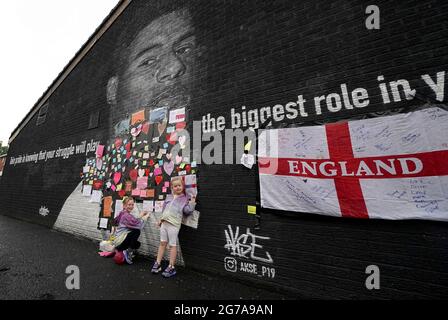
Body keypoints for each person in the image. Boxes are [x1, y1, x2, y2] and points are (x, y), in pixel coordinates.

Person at [54, 4, 203, 263]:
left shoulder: (176, 167)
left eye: (185, 49)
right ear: (113, 90)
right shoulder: (90, 205)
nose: (174, 67)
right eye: (148, 61)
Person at [151, 177, 196, 277]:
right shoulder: (169, 197)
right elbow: (164, 210)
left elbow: (187, 211)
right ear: (172, 187)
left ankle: (171, 266)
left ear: (183, 186)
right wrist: (160, 221)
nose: (177, 187)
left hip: (174, 224)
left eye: (179, 185)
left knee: (172, 245)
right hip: (164, 223)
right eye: (175, 186)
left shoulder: (184, 199)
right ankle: (157, 263)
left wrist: (192, 202)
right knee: (162, 243)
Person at [112, 196, 150, 264]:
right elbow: (138, 225)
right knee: (136, 231)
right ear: (124, 205)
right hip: (120, 242)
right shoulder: (126, 215)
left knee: (137, 244)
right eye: (129, 205)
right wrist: (146, 217)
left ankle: (124, 250)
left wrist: (140, 215)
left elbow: (133, 221)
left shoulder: (122, 213)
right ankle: (127, 251)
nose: (131, 206)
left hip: (117, 240)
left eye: (132, 205)